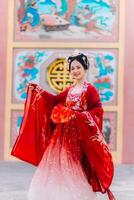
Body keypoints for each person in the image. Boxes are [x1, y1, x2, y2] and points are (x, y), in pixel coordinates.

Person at [11, 52, 116, 200]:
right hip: (61, 135)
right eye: (72, 68)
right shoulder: (69, 89)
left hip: (77, 135)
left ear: (85, 68)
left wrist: (76, 115)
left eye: (78, 67)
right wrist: (39, 91)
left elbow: (97, 110)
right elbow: (54, 101)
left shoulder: (90, 89)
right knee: (57, 164)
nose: (75, 71)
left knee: (72, 164)